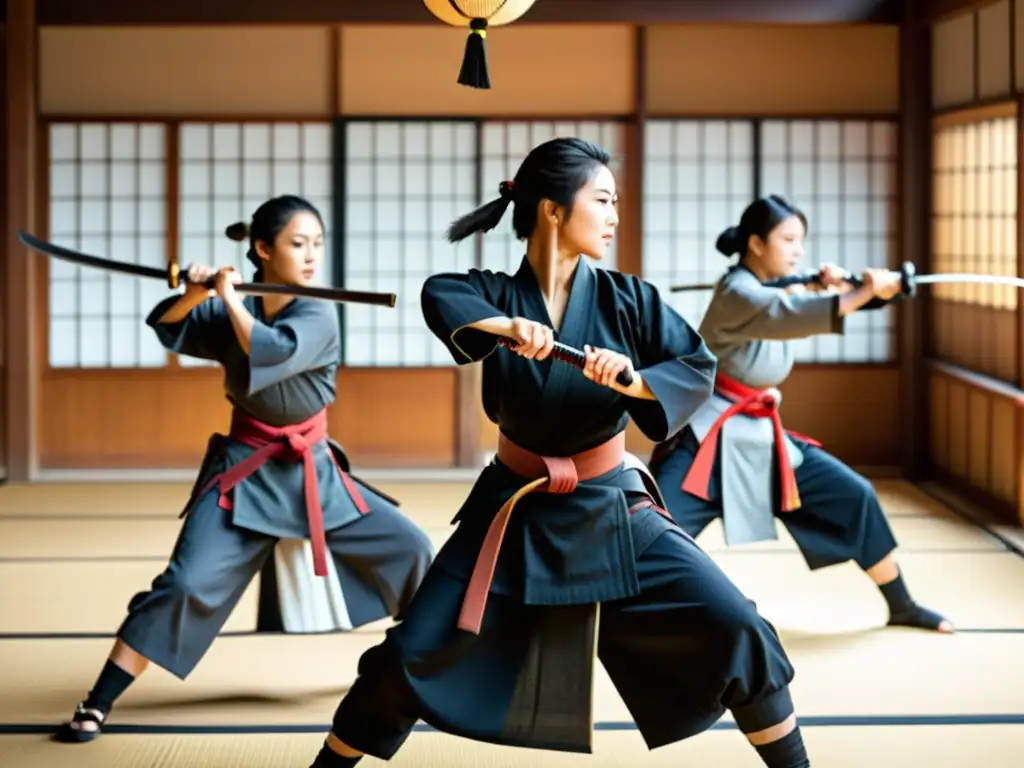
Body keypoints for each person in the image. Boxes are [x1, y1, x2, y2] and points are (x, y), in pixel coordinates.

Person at [309, 140, 811, 768]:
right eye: (602, 200)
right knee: (406, 657)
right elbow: (441, 294)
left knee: (739, 627)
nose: (614, 217)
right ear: (551, 209)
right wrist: (508, 328)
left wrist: (630, 378)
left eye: (615, 204)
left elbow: (695, 365)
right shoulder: (493, 292)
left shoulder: (631, 300)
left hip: (613, 506)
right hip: (511, 510)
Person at [55, 194, 435, 743]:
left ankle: (414, 671)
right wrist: (193, 294)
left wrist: (229, 298)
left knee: (411, 549)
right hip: (244, 473)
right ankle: (97, 702)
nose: (310, 257)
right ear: (263, 249)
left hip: (314, 473)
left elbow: (272, 351)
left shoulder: (317, 310)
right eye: (297, 244)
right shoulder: (243, 307)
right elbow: (166, 325)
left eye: (316, 245)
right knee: (184, 584)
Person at [649, 194, 952, 634]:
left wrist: (864, 293)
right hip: (707, 438)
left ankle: (901, 603)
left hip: (762, 436)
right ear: (755, 243)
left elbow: (798, 305)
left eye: (801, 242)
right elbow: (786, 313)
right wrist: (864, 291)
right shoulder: (738, 293)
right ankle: (617, 617)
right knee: (655, 530)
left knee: (853, 494)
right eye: (788, 239)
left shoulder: (781, 288)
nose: (799, 251)